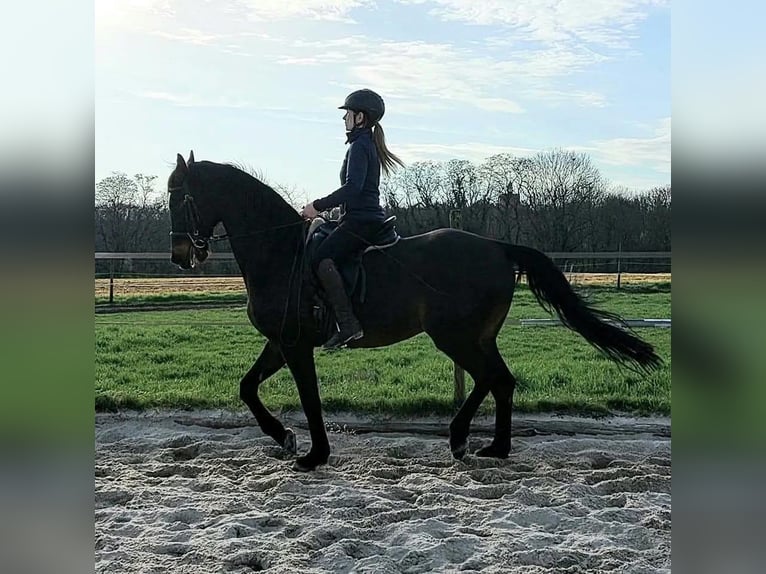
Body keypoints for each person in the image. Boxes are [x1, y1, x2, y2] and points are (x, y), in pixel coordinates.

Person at [301, 88, 404, 350]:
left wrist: (317, 206)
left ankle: (347, 324)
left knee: (321, 259)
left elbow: (352, 189)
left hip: (361, 221)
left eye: (347, 113)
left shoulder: (360, 146)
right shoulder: (364, 144)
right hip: (357, 218)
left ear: (360, 118)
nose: (344, 119)